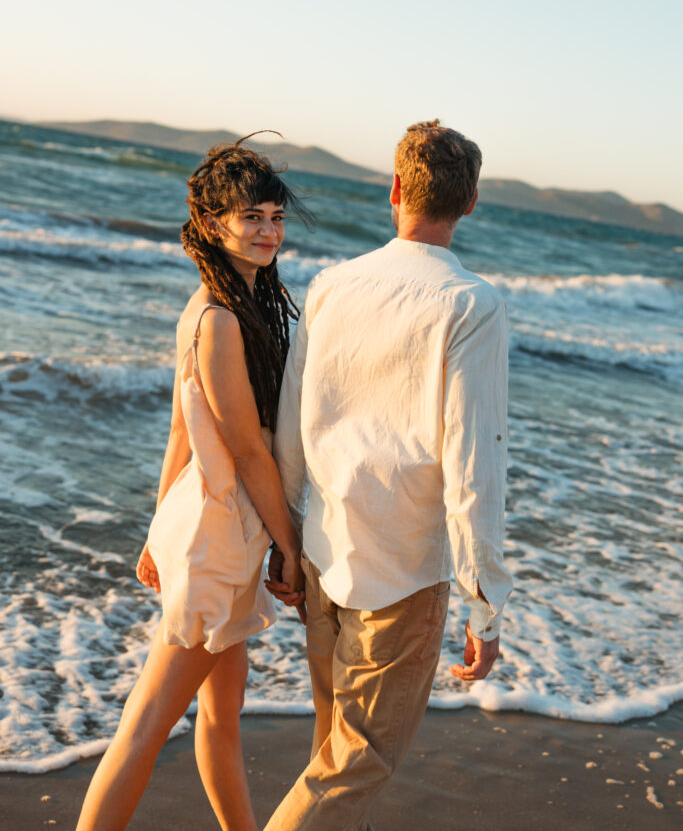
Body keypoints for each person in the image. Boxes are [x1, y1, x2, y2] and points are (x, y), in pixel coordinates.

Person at [265, 120, 513, 830]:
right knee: (353, 765)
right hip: (402, 568)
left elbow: (292, 422)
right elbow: (473, 464)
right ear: (469, 204)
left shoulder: (331, 285)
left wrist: (285, 538)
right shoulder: (471, 303)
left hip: (323, 546)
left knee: (331, 756)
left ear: (395, 189)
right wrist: (484, 599)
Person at [76, 136, 309, 831]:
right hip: (219, 535)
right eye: (252, 217)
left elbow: (182, 434)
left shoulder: (228, 305)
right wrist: (289, 545)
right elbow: (246, 450)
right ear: (213, 224)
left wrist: (156, 530)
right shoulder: (218, 319)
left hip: (212, 526)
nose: (269, 230)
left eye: (275, 216)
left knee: (220, 716)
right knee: (147, 724)